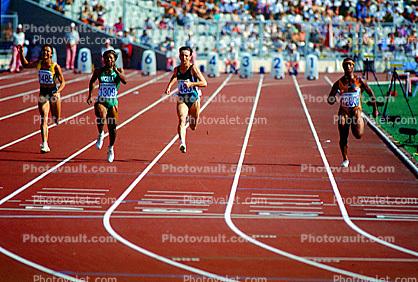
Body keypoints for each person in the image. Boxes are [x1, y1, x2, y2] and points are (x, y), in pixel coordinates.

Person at [327, 57, 379, 167]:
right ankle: (345, 159)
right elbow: (330, 100)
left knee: (358, 135)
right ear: (343, 67)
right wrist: (333, 95)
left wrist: (375, 109)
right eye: (345, 65)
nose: (348, 66)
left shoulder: (359, 81)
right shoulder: (339, 83)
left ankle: (359, 121)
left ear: (353, 66)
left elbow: (371, 94)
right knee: (342, 132)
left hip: (356, 110)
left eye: (350, 64)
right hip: (344, 111)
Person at [18, 44, 66, 153]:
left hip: (54, 93)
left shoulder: (55, 66)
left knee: (56, 119)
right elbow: (25, 65)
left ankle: (56, 119)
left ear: (51, 54)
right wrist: (21, 53)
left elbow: (63, 82)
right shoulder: (39, 63)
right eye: (44, 51)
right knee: (44, 117)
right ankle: (45, 144)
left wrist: (58, 92)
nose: (45, 53)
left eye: (48, 51)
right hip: (43, 93)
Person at [164, 46, 207, 153]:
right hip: (182, 98)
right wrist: (169, 86)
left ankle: (191, 119)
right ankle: (182, 143)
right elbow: (174, 76)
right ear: (179, 56)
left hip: (194, 99)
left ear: (190, 57)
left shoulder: (193, 68)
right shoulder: (177, 69)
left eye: (186, 56)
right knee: (182, 119)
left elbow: (204, 83)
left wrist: (191, 83)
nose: (184, 58)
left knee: (193, 126)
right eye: (182, 55)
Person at [87, 50, 127, 163]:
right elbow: (92, 81)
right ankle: (100, 134)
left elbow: (125, 81)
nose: (109, 60)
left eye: (111, 58)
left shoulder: (118, 71)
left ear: (114, 60)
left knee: (112, 128)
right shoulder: (99, 71)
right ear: (104, 60)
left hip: (113, 102)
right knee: (102, 114)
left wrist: (116, 71)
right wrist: (90, 95)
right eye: (107, 58)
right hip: (102, 100)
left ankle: (110, 148)